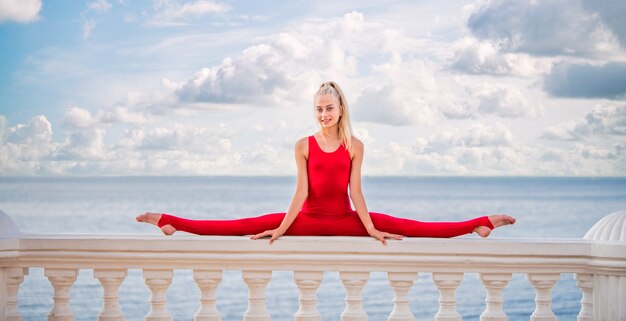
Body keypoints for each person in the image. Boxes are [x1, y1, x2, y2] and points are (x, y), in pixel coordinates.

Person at [137, 81, 515, 245]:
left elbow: (357, 193)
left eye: (329, 108)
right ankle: (172, 222)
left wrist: (371, 229)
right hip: (306, 220)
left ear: (340, 109)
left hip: (348, 221)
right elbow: (301, 192)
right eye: (318, 109)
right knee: (243, 225)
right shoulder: (302, 144)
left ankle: (480, 224)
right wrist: (282, 229)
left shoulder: (355, 145)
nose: (323, 114)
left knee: (412, 227)